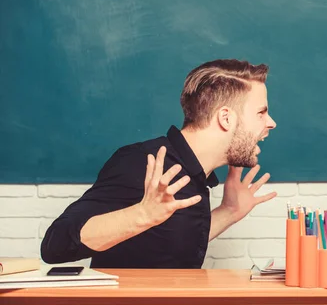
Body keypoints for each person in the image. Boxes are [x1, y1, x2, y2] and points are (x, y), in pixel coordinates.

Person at [41, 59, 278, 268]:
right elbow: (55, 245)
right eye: (261, 112)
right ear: (226, 118)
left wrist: (229, 211)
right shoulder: (143, 162)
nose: (271, 123)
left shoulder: (195, 177)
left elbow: (171, 246)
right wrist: (142, 214)